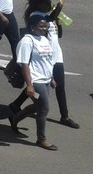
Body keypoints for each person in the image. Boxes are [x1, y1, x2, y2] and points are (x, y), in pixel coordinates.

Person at [9, 0, 79, 129]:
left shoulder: (48, 17)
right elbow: (49, 19)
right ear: (37, 5)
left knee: (48, 86)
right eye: (45, 3)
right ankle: (64, 116)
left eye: (49, 2)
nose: (48, 5)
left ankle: (16, 104)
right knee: (49, 86)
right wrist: (59, 7)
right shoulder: (36, 16)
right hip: (45, 58)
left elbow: (58, 35)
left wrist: (58, 24)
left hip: (56, 55)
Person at [8, 14, 58, 150]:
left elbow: (48, 61)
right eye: (41, 26)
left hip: (46, 80)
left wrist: (52, 78)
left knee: (38, 105)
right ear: (32, 27)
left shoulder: (44, 39)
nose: (44, 29)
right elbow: (24, 64)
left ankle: (15, 118)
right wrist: (29, 85)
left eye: (45, 26)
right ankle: (41, 139)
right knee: (44, 108)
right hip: (36, 82)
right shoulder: (27, 41)